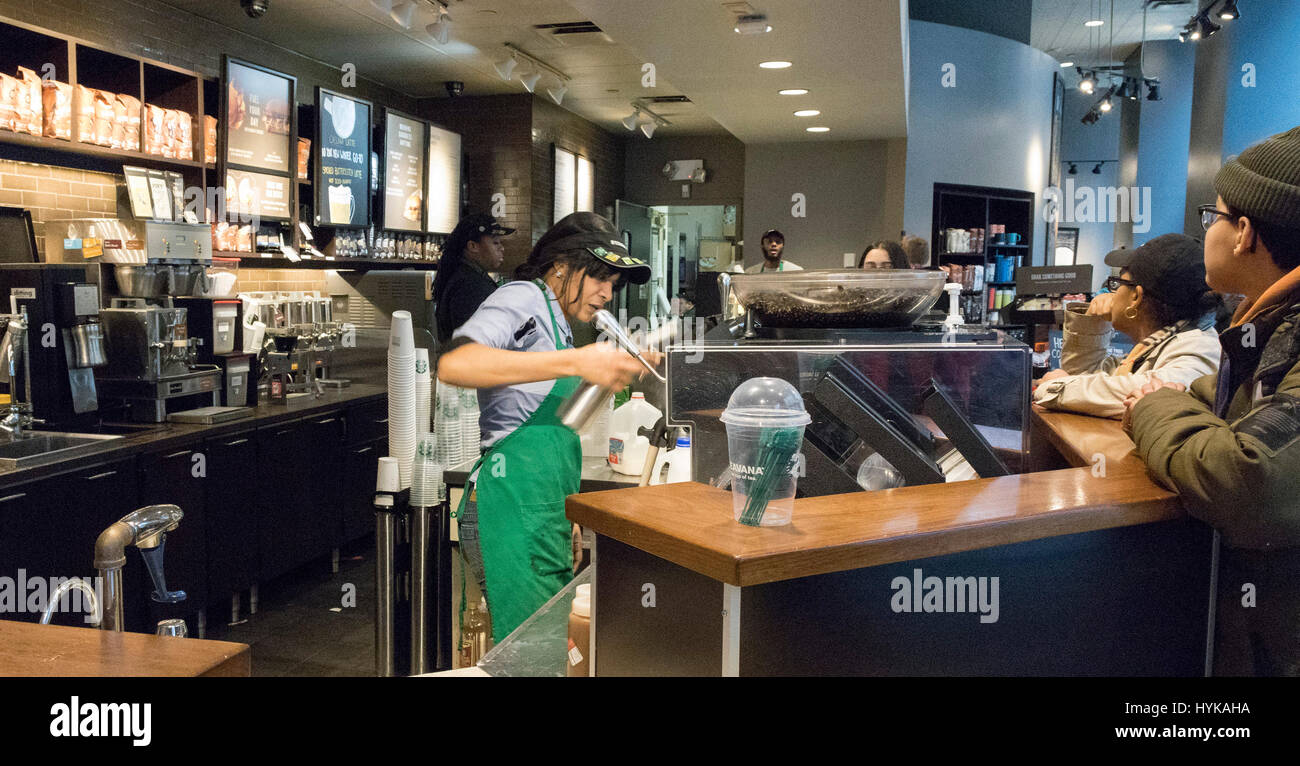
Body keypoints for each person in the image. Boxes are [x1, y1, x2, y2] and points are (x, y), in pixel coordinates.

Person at [1122, 126, 1300, 676]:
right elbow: (1219, 400)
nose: (1208, 232)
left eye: (1212, 216)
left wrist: (1150, 406)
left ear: (1244, 232)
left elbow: (1248, 483)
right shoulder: (1267, 329)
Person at [438, 212, 660, 641]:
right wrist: (578, 361)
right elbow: (454, 362)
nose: (607, 294)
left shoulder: (557, 319)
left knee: (551, 649)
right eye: (600, 278)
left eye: (613, 284)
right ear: (561, 265)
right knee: (532, 655)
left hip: (543, 512)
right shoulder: (522, 297)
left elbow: (550, 428)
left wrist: (567, 512)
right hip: (509, 506)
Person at [1033, 234, 1220, 418]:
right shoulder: (1151, 347)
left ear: (1136, 297)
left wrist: (1057, 387)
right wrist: (1091, 322)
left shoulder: (1200, 348)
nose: (1110, 293)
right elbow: (1083, 379)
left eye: (1117, 283)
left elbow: (1150, 396)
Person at [432, 213, 515, 343]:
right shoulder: (470, 287)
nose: (502, 248)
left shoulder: (463, 276)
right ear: (472, 246)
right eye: (495, 242)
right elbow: (474, 342)